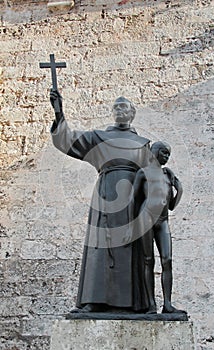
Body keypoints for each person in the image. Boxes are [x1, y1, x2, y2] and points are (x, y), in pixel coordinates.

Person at [49, 90, 165, 313]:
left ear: (132, 114)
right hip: (105, 196)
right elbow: (67, 140)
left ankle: (135, 304)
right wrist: (58, 112)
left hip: (133, 199)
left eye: (125, 107)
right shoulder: (98, 138)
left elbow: (154, 176)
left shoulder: (143, 145)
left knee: (132, 247)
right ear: (113, 113)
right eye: (117, 107)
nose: (120, 110)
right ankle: (94, 300)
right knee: (99, 246)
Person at [128, 141, 186, 314]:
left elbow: (171, 206)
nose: (166, 157)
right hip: (146, 219)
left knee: (167, 260)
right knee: (148, 261)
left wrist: (179, 189)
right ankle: (151, 304)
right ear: (155, 152)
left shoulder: (167, 174)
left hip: (163, 221)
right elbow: (132, 199)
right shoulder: (143, 172)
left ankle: (167, 304)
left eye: (168, 154)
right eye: (164, 153)